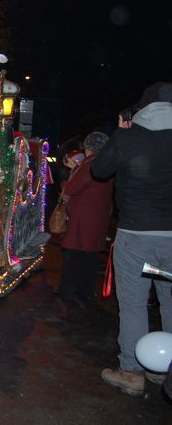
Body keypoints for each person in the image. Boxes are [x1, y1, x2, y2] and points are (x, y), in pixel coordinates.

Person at [93, 82, 172, 396]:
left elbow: (99, 170)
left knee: (135, 305)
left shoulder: (129, 137)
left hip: (137, 239)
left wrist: (122, 133)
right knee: (169, 300)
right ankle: (164, 369)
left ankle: (131, 370)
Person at [57, 132, 113, 301]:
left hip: (82, 218)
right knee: (90, 257)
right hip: (99, 217)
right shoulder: (108, 165)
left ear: (88, 148)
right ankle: (86, 291)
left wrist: (69, 176)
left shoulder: (88, 165)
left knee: (73, 256)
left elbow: (72, 188)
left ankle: (67, 291)